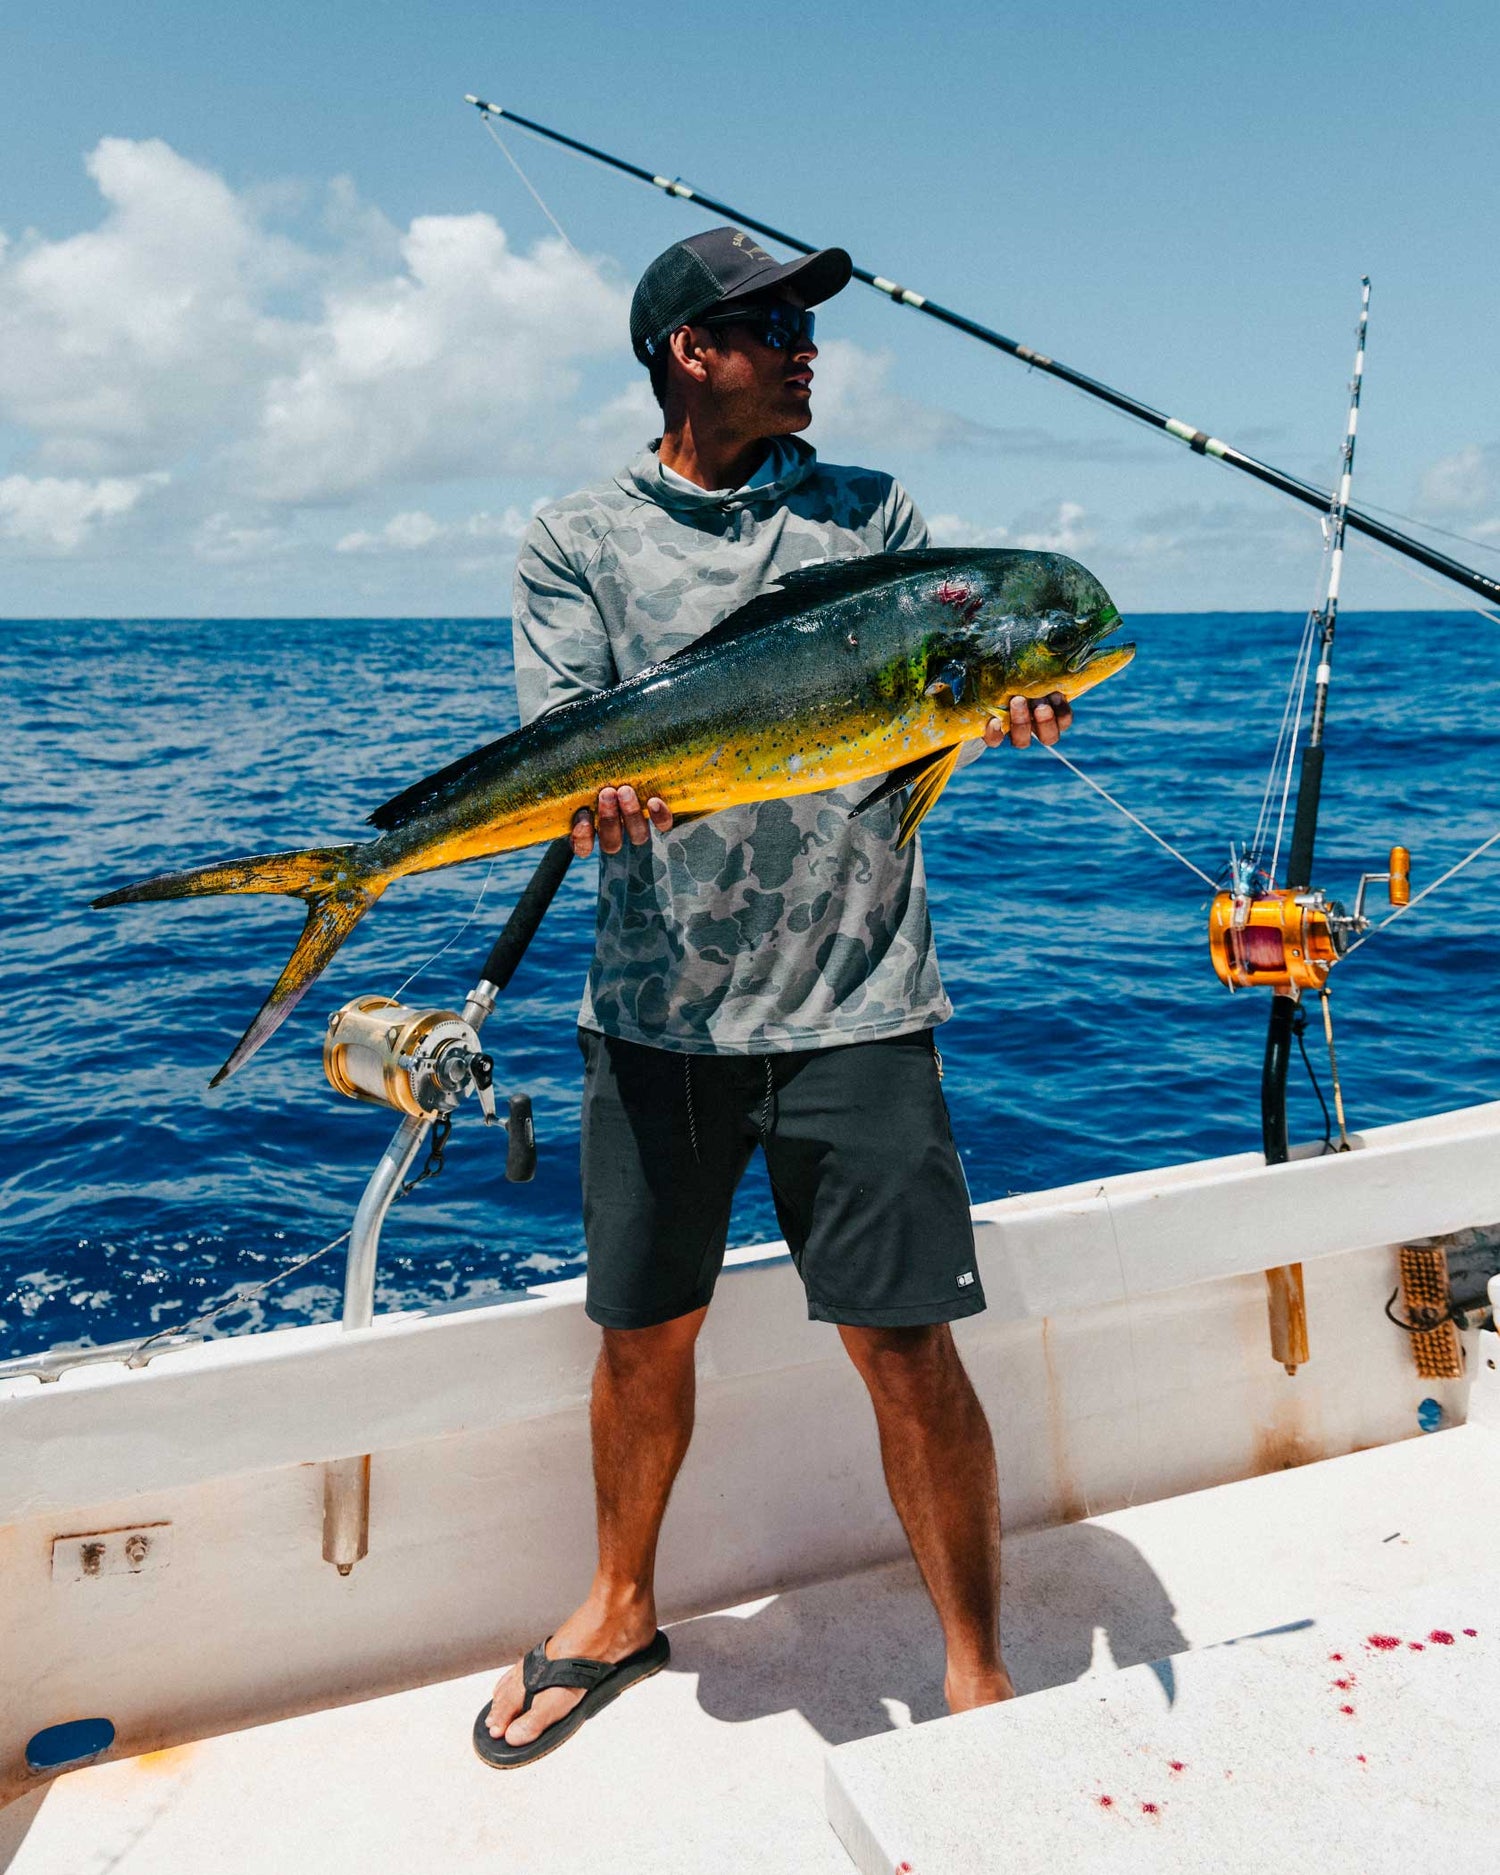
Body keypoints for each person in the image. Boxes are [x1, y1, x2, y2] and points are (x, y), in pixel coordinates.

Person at [476, 227, 1075, 1768]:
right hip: (657, 1014)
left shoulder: (872, 512)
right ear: (690, 351)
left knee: (906, 1347)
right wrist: (592, 800)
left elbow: (949, 673)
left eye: (809, 326)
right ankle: (618, 1605)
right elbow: (565, 741)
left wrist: (1009, 694)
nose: (808, 349)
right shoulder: (576, 536)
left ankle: (974, 1666)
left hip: (861, 1003)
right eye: (772, 326)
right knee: (641, 1336)